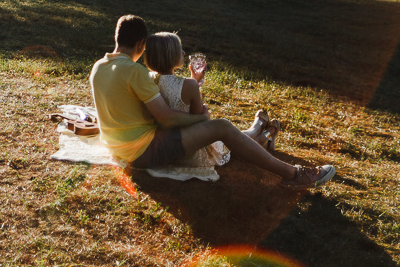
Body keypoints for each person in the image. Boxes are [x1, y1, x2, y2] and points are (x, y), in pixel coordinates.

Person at [89, 15, 336, 188]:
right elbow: (166, 119)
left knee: (221, 132)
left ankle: (261, 135)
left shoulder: (98, 67)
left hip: (118, 147)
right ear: (141, 44)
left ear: (117, 37)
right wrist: (201, 118)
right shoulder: (134, 71)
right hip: (142, 150)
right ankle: (294, 174)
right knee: (221, 127)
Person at [143, 31, 280, 160]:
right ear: (170, 54)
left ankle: (262, 131)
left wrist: (193, 81)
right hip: (191, 147)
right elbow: (201, 123)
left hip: (163, 146)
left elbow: (170, 89)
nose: (184, 53)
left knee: (234, 136)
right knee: (236, 139)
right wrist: (196, 91)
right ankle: (265, 135)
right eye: (180, 49)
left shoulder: (145, 80)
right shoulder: (190, 85)